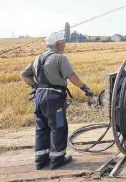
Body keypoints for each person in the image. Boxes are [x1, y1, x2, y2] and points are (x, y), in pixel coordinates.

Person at [21, 32, 94, 170]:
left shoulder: (38, 58)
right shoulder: (60, 58)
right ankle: (57, 159)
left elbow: (24, 75)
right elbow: (72, 76)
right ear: (58, 44)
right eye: (63, 42)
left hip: (39, 97)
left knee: (42, 128)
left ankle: (40, 160)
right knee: (58, 127)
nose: (65, 44)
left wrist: (36, 86)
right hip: (54, 99)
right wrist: (84, 87)